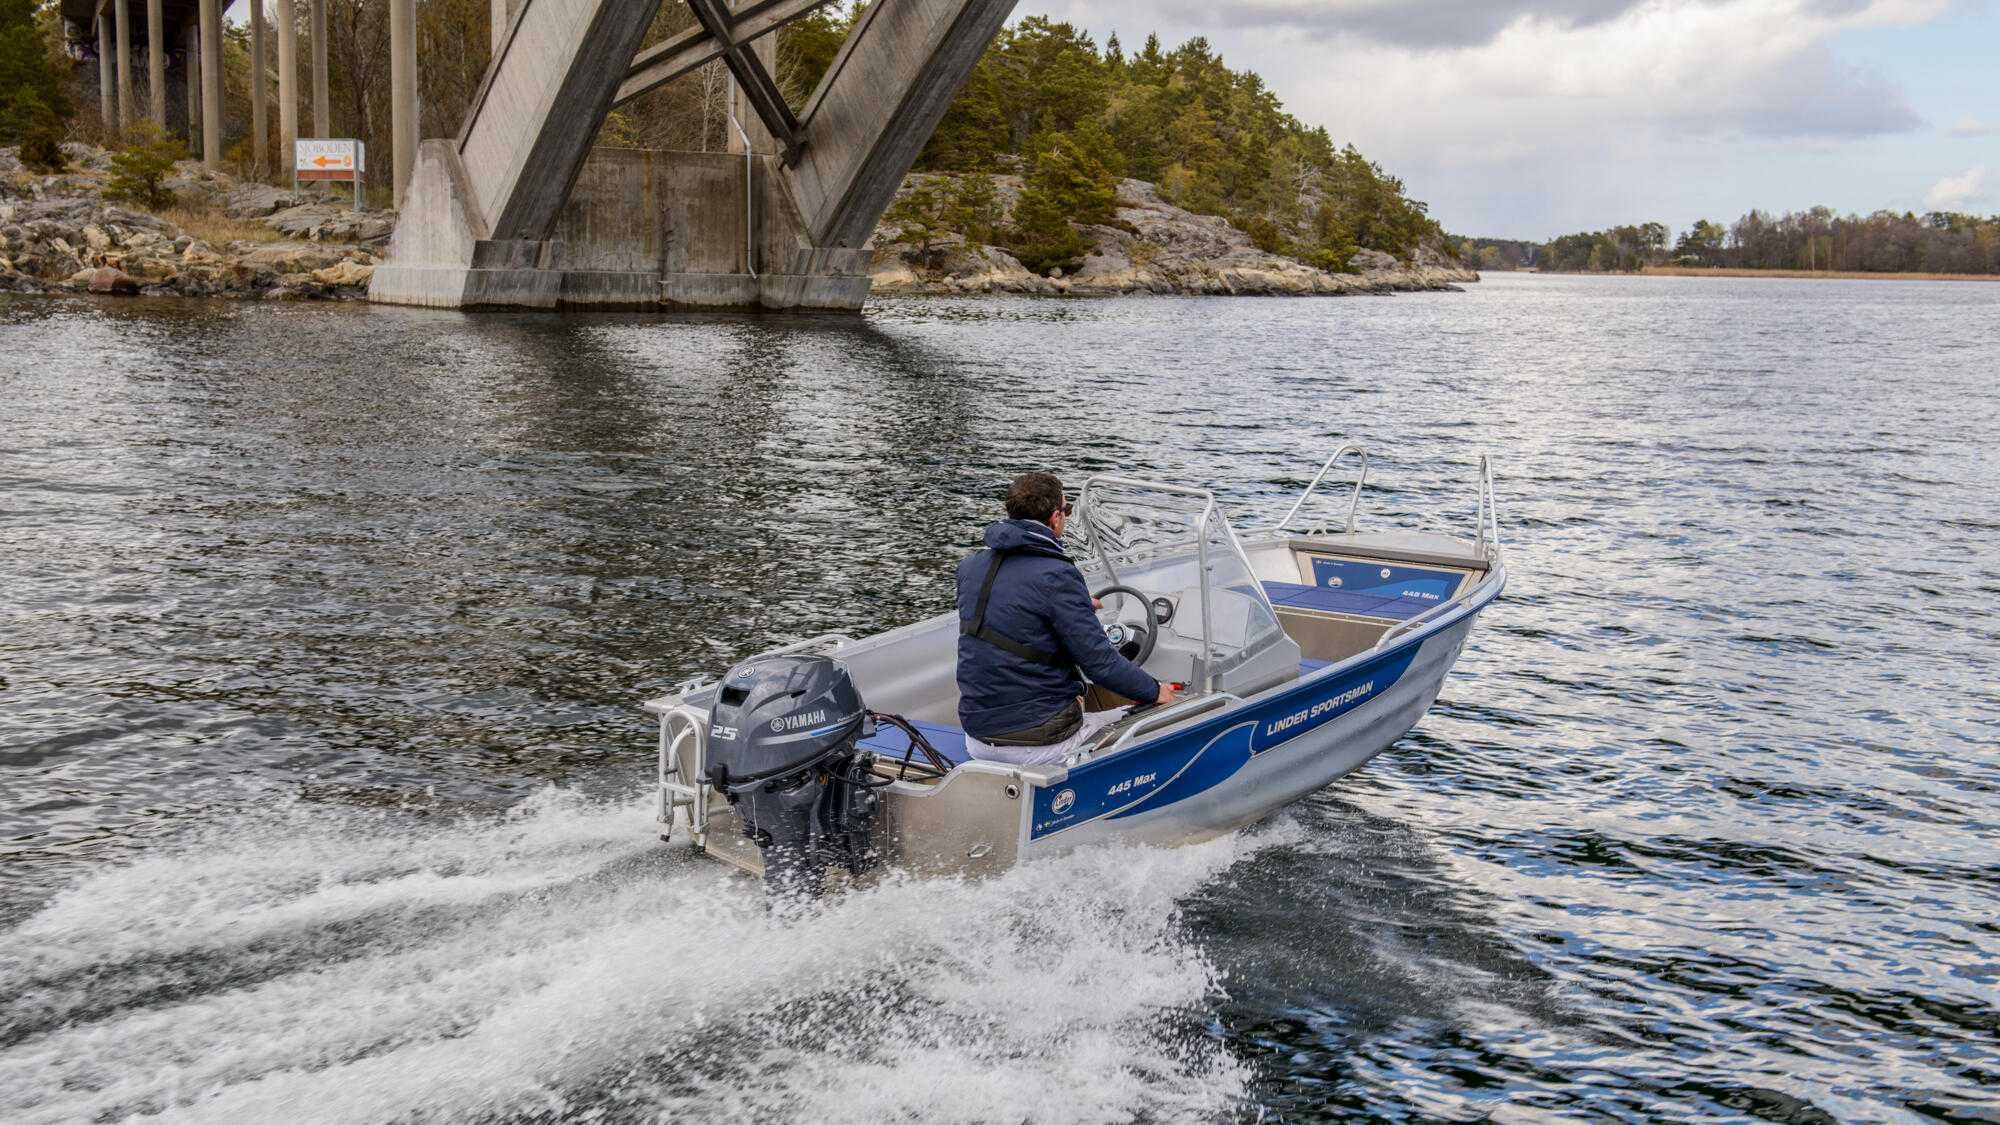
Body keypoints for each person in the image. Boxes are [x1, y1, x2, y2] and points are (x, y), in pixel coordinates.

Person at [955, 472, 1177, 765]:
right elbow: (1101, 665)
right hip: (1038, 743)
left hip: (977, 736)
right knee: (1162, 715)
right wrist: (1155, 690)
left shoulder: (971, 566)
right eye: (1067, 511)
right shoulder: (1057, 575)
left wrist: (1076, 605)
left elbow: (1011, 613)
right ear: (1056, 517)